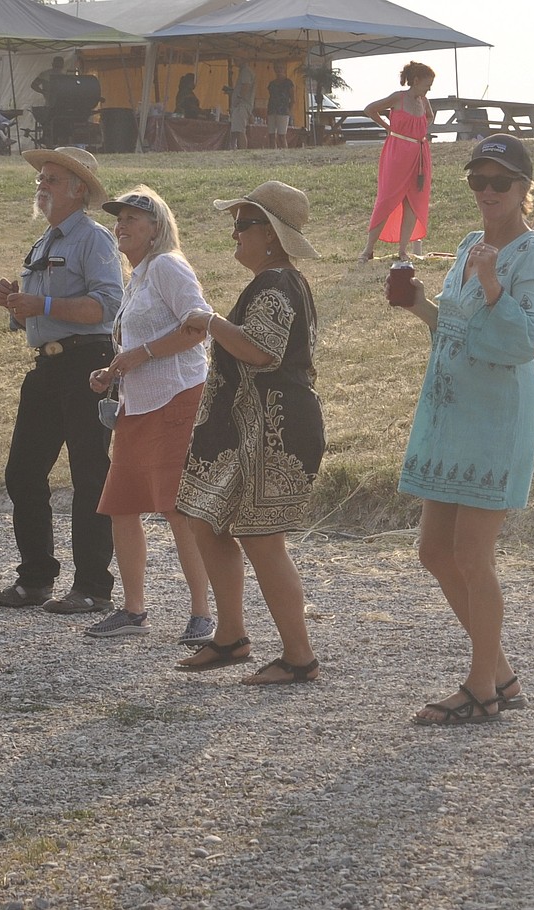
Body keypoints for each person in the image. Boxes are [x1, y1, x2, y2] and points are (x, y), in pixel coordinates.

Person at [397, 135, 534, 725]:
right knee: (435, 551)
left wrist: (492, 286)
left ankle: (481, 685)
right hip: (451, 412)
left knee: (472, 553)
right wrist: (418, 303)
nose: (487, 192)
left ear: (523, 190)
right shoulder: (468, 244)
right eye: (478, 182)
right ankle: (501, 673)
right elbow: (454, 330)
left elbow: (525, 342)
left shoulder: (533, 253)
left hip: (496, 417)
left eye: (500, 182)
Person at [174, 181, 324, 685]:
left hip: (272, 431)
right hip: (251, 431)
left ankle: (299, 655)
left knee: (262, 538)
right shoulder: (278, 281)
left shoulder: (276, 283)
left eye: (243, 224)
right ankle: (231, 636)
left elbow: (262, 351)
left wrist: (211, 321)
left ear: (271, 234)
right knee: (205, 520)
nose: (234, 233)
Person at [0, 147, 123, 614]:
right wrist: (17, 307)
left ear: (79, 190)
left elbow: (106, 307)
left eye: (53, 179)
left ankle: (93, 588)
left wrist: (40, 306)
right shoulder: (44, 243)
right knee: (22, 472)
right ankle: (36, 580)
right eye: (41, 178)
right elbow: (38, 319)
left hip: (88, 367)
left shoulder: (94, 239)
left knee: (89, 475)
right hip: (46, 368)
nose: (42, 185)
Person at [84, 187, 214, 644]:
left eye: (133, 218)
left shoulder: (167, 266)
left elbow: (200, 325)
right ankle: (133, 609)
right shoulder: (137, 275)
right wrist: (115, 369)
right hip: (136, 405)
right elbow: (138, 343)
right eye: (119, 218)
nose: (122, 225)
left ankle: (202, 614)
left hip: (177, 399)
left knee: (177, 510)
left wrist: (142, 354)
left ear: (157, 226)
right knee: (121, 506)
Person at [358, 61, 435, 263]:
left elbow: (430, 117)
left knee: (412, 201)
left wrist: (419, 132)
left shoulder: (424, 101)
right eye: (427, 84)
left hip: (419, 154)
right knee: (387, 199)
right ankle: (368, 248)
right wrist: (388, 127)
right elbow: (370, 109)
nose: (429, 88)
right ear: (416, 81)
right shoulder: (398, 98)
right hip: (398, 153)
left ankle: (403, 249)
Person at [266, 62, 296, 150]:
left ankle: (285, 153)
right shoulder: (272, 84)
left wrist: (289, 111)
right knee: (271, 135)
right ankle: (272, 153)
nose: (279, 70)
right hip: (272, 110)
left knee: (282, 135)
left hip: (283, 111)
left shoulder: (288, 83)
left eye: (280, 68)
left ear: (284, 69)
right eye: (277, 68)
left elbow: (293, 99)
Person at [227, 57, 255, 150]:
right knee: (236, 130)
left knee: (240, 130)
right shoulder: (243, 71)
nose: (235, 61)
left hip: (241, 105)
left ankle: (242, 151)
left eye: (237, 58)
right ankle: (234, 149)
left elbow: (246, 86)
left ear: (244, 59)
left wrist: (238, 98)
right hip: (240, 105)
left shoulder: (246, 71)